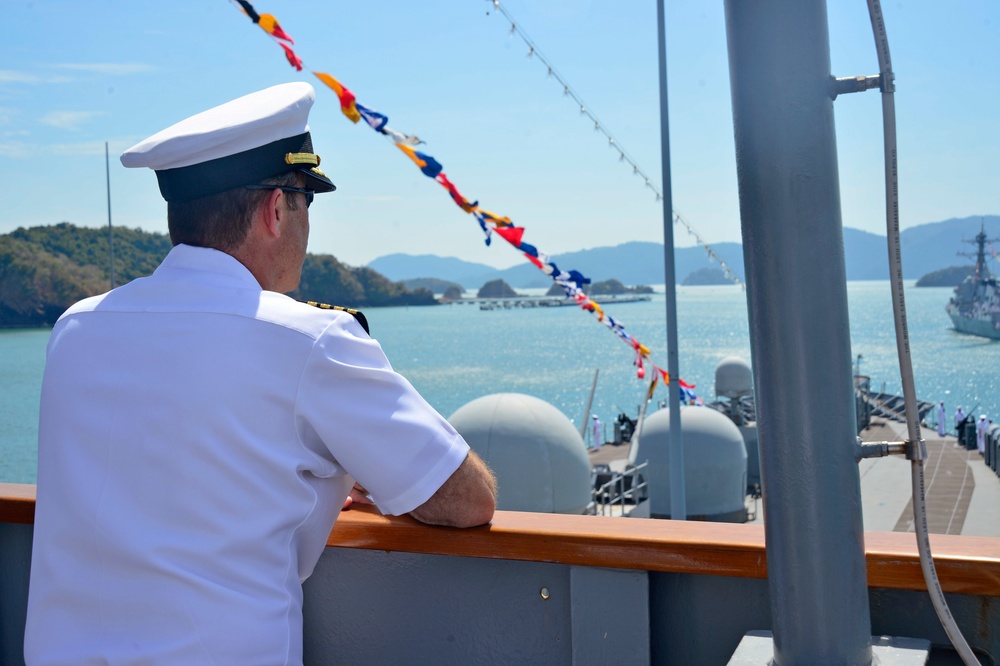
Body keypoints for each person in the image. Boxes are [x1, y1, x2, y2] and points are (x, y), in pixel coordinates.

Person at [24, 82, 497, 665]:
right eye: (306, 202)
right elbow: (466, 499)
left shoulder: (76, 330)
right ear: (277, 209)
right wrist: (358, 473)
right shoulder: (311, 339)